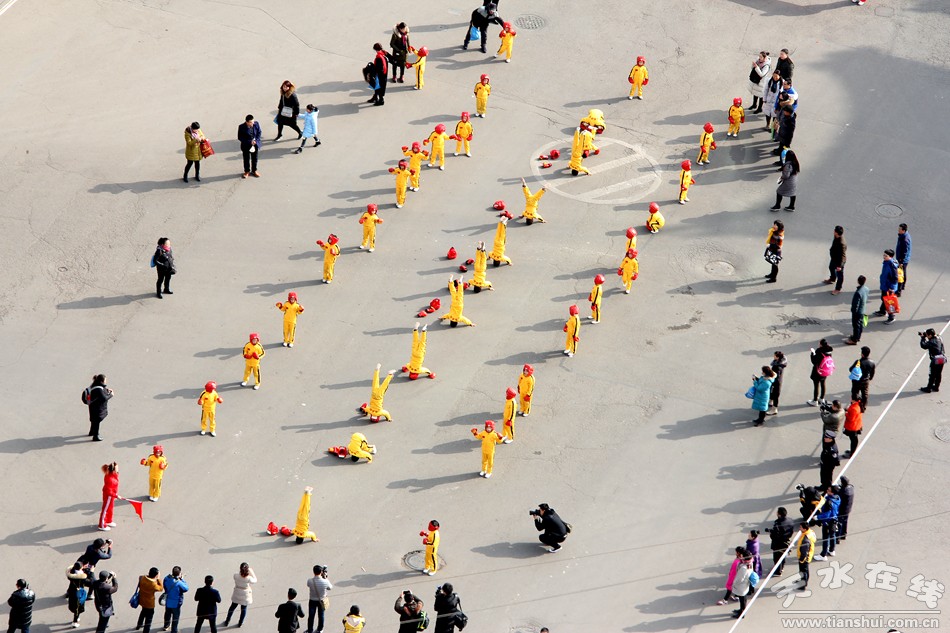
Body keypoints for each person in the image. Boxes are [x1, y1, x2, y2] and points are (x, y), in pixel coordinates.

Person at [223, 563, 256, 628]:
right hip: (245, 594)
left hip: (237, 592)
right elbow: (255, 580)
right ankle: (240, 622)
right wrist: (251, 571)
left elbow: (239, 575)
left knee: (232, 607)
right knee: (243, 609)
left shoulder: (236, 575)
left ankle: (227, 620)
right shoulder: (249, 578)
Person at [872, 249, 900, 322]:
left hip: (889, 287)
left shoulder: (891, 265)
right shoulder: (887, 262)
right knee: (884, 298)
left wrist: (892, 288)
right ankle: (882, 311)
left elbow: (895, 278)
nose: (884, 256)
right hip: (885, 285)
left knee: (889, 302)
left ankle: (891, 317)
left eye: (886, 255)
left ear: (890, 257)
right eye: (884, 255)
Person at [813, 486, 840, 561]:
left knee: (825, 538)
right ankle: (832, 550)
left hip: (827, 522)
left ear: (832, 492)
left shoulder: (829, 502)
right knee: (832, 536)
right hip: (834, 520)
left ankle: (823, 555)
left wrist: (817, 517)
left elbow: (826, 515)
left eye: (829, 490)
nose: (827, 490)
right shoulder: (837, 498)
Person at [85, 374, 113, 442]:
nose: (106, 381)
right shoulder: (99, 389)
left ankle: (91, 431)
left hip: (92, 406)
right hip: (97, 408)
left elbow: (99, 393)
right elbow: (104, 398)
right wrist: (111, 395)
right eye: (105, 380)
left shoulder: (94, 385)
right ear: (102, 381)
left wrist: (106, 390)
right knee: (97, 421)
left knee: (93, 420)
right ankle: (96, 436)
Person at [765, 507, 793, 576]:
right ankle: (781, 567)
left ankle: (778, 571)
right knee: (783, 555)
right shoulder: (790, 521)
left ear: (779, 514)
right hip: (786, 541)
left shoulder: (778, 524)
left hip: (778, 543)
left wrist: (770, 533)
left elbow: (775, 535)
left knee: (777, 557)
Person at [135, 568, 163, 633]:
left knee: (143, 612)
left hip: (142, 599)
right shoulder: (153, 584)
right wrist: (158, 579)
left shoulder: (142, 578)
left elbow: (141, 577)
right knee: (149, 619)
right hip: (149, 603)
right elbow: (161, 588)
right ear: (156, 575)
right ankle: (146, 631)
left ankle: (139, 625)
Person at [163, 566, 189, 633]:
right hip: (176, 603)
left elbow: (165, 586)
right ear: (179, 573)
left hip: (168, 600)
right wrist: (182, 579)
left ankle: (166, 625)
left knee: (167, 614)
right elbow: (186, 588)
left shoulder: (166, 578)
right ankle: (174, 630)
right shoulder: (178, 582)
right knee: (175, 617)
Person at [807, 339, 834, 406]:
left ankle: (815, 401)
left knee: (816, 386)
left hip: (818, 371)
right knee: (823, 383)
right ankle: (822, 398)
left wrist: (812, 354)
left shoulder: (819, 351)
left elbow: (814, 361)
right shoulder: (829, 351)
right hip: (825, 370)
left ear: (821, 344)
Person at [849, 346, 876, 412]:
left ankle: (854, 407)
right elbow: (872, 372)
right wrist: (870, 378)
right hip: (866, 381)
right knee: (864, 394)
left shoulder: (858, 362)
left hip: (857, 381)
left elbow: (851, 369)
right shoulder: (872, 362)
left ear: (862, 354)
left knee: (855, 393)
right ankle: (863, 407)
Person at [845, 275, 869, 345]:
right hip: (863, 309)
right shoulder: (866, 289)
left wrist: (853, 311)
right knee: (860, 324)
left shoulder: (858, 292)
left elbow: (856, 304)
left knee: (856, 325)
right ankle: (858, 336)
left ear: (858, 281)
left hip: (857, 312)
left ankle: (854, 339)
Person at [305, 565, 331, 633]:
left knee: (311, 616)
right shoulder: (325, 582)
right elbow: (330, 587)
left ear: (313, 572)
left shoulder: (310, 581)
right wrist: (325, 578)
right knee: (321, 615)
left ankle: (310, 630)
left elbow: (308, 585)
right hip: (321, 600)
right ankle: (320, 629)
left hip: (312, 600)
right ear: (321, 572)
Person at [919, 328, 946, 393]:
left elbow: (923, 345)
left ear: (930, 335)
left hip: (936, 359)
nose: (926, 336)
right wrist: (925, 336)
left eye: (927, 335)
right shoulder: (938, 338)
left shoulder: (931, 342)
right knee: (938, 374)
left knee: (932, 374)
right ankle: (936, 387)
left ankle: (928, 388)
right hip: (942, 358)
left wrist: (922, 338)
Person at [67, 563, 92, 628]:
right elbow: (90, 582)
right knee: (78, 608)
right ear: (81, 567)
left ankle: (76, 618)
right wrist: (90, 572)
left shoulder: (71, 573)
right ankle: (75, 621)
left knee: (73, 605)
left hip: (72, 591)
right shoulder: (82, 577)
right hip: (78, 593)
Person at [824, 226, 847, 294]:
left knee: (839, 275)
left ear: (836, 233)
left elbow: (842, 255)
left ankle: (838, 289)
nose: (833, 230)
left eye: (835, 230)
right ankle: (832, 278)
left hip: (839, 261)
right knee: (831, 267)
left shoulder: (842, 243)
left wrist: (840, 266)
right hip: (834, 258)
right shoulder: (836, 236)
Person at [98, 462, 119, 531]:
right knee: (105, 510)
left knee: (110, 509)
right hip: (108, 496)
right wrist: (116, 496)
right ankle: (102, 525)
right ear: (113, 470)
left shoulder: (113, 475)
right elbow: (109, 491)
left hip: (111, 496)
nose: (118, 469)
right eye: (117, 468)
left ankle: (108, 520)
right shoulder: (110, 479)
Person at [796, 522, 816, 590]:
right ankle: (804, 581)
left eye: (801, 527)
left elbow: (804, 551)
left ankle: (802, 585)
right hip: (808, 556)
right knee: (805, 571)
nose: (799, 528)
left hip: (804, 558)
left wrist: (801, 559)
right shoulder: (810, 532)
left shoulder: (805, 539)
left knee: (803, 571)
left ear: (804, 529)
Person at [767, 351, 787, 416]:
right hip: (779, 380)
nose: (773, 356)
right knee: (773, 392)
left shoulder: (777, 367)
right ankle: (771, 401)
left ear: (777, 357)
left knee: (775, 394)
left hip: (776, 382)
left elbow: (776, 376)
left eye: (774, 355)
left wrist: (770, 378)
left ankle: (774, 409)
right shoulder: (782, 362)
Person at [895, 223, 911, 295]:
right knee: (902, 272)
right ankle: (902, 286)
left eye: (900, 229)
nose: (898, 230)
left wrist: (901, 261)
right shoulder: (903, 236)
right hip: (902, 259)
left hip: (902, 260)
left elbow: (905, 251)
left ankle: (899, 290)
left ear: (903, 230)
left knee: (900, 274)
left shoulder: (905, 239)